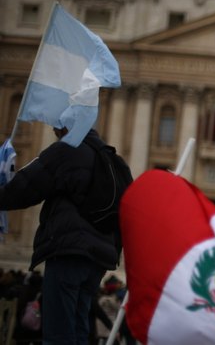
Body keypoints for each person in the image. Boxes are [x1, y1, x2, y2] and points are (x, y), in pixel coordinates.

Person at [0, 127, 124, 343]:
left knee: (58, 333)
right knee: (78, 331)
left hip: (69, 251)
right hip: (98, 261)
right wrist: (111, 259)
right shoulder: (115, 161)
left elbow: (28, 185)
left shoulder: (67, 149)